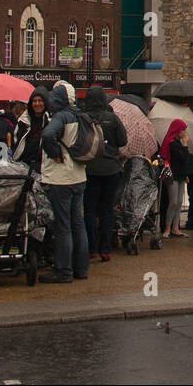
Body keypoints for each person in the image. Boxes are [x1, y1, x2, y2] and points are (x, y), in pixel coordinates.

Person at [39, 81, 90, 281]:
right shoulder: (81, 115)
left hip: (62, 179)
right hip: (79, 176)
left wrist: (54, 154)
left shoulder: (61, 116)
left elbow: (48, 134)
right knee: (78, 223)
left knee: (63, 225)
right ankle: (81, 269)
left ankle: (63, 271)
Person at [82, 88, 127, 262]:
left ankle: (91, 247)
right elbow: (123, 140)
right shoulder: (112, 118)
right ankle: (105, 248)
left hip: (90, 168)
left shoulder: (84, 118)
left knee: (90, 209)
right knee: (107, 209)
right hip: (111, 168)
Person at [159, 119, 192, 239]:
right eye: (183, 130)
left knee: (178, 202)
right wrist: (185, 146)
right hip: (172, 174)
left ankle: (175, 227)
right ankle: (168, 227)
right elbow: (183, 158)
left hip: (180, 174)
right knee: (173, 201)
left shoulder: (174, 142)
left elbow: (183, 162)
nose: (184, 132)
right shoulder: (171, 143)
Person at [11, 86, 51, 173]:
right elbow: (16, 141)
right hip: (23, 165)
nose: (37, 104)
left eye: (40, 101)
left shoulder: (49, 122)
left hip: (42, 167)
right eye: (34, 101)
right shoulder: (23, 121)